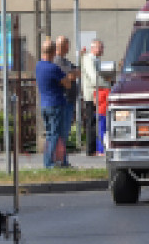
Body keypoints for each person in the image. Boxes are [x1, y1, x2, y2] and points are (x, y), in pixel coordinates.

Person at [36, 39, 76, 168]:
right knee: (56, 135)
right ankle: (49, 163)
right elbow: (68, 84)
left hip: (44, 104)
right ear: (54, 52)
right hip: (56, 104)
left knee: (49, 134)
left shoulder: (38, 66)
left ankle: (59, 161)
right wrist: (67, 79)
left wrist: (61, 81)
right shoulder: (53, 68)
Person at [52, 35, 79, 164]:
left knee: (65, 132)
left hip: (69, 101)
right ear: (62, 46)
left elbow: (76, 72)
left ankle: (63, 159)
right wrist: (72, 74)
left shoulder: (66, 61)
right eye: (67, 45)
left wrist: (74, 73)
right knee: (61, 132)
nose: (68, 47)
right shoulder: (57, 62)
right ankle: (60, 160)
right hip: (64, 100)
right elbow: (69, 76)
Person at [81, 38, 108, 156]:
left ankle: (95, 148)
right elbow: (93, 77)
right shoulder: (88, 59)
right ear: (94, 48)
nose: (102, 50)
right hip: (92, 94)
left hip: (97, 93)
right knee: (92, 122)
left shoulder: (96, 59)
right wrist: (107, 84)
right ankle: (91, 149)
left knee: (95, 121)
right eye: (101, 47)